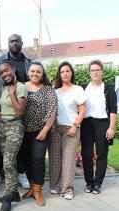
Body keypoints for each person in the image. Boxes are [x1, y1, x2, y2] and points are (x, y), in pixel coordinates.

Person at [0, 34, 32, 190]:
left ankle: (20, 174)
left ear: (21, 43)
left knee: (20, 146)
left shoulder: (28, 62)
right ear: (8, 44)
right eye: (11, 41)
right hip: (1, 112)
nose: (14, 43)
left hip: (20, 110)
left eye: (17, 41)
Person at [21, 61, 57, 206]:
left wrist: (44, 130)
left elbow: (52, 111)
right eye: (33, 71)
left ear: (42, 74)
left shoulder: (48, 90)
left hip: (41, 131)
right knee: (26, 160)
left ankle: (38, 190)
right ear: (28, 72)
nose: (35, 74)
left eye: (38, 72)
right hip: (23, 131)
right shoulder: (22, 87)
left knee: (38, 159)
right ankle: (31, 187)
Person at [48, 61, 86, 200]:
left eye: (67, 71)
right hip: (55, 128)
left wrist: (75, 126)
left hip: (72, 128)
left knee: (68, 159)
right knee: (55, 159)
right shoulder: (54, 90)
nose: (65, 73)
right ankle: (56, 186)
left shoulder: (78, 89)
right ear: (59, 74)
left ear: (71, 73)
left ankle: (68, 189)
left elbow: (82, 110)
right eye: (62, 71)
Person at [81, 59, 117, 194]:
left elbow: (113, 110)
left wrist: (111, 127)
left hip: (102, 124)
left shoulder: (108, 88)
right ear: (89, 72)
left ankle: (97, 184)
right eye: (92, 70)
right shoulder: (83, 87)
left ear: (102, 71)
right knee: (86, 154)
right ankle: (88, 182)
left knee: (102, 153)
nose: (95, 72)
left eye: (98, 70)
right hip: (86, 124)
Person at [0, 60, 27, 211]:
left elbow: (20, 111)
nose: (5, 74)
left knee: (8, 161)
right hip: (1, 126)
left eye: (6, 70)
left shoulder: (21, 87)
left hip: (15, 126)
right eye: (1, 72)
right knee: (9, 161)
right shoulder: (1, 88)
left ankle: (8, 196)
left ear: (13, 69)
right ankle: (13, 192)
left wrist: (12, 94)